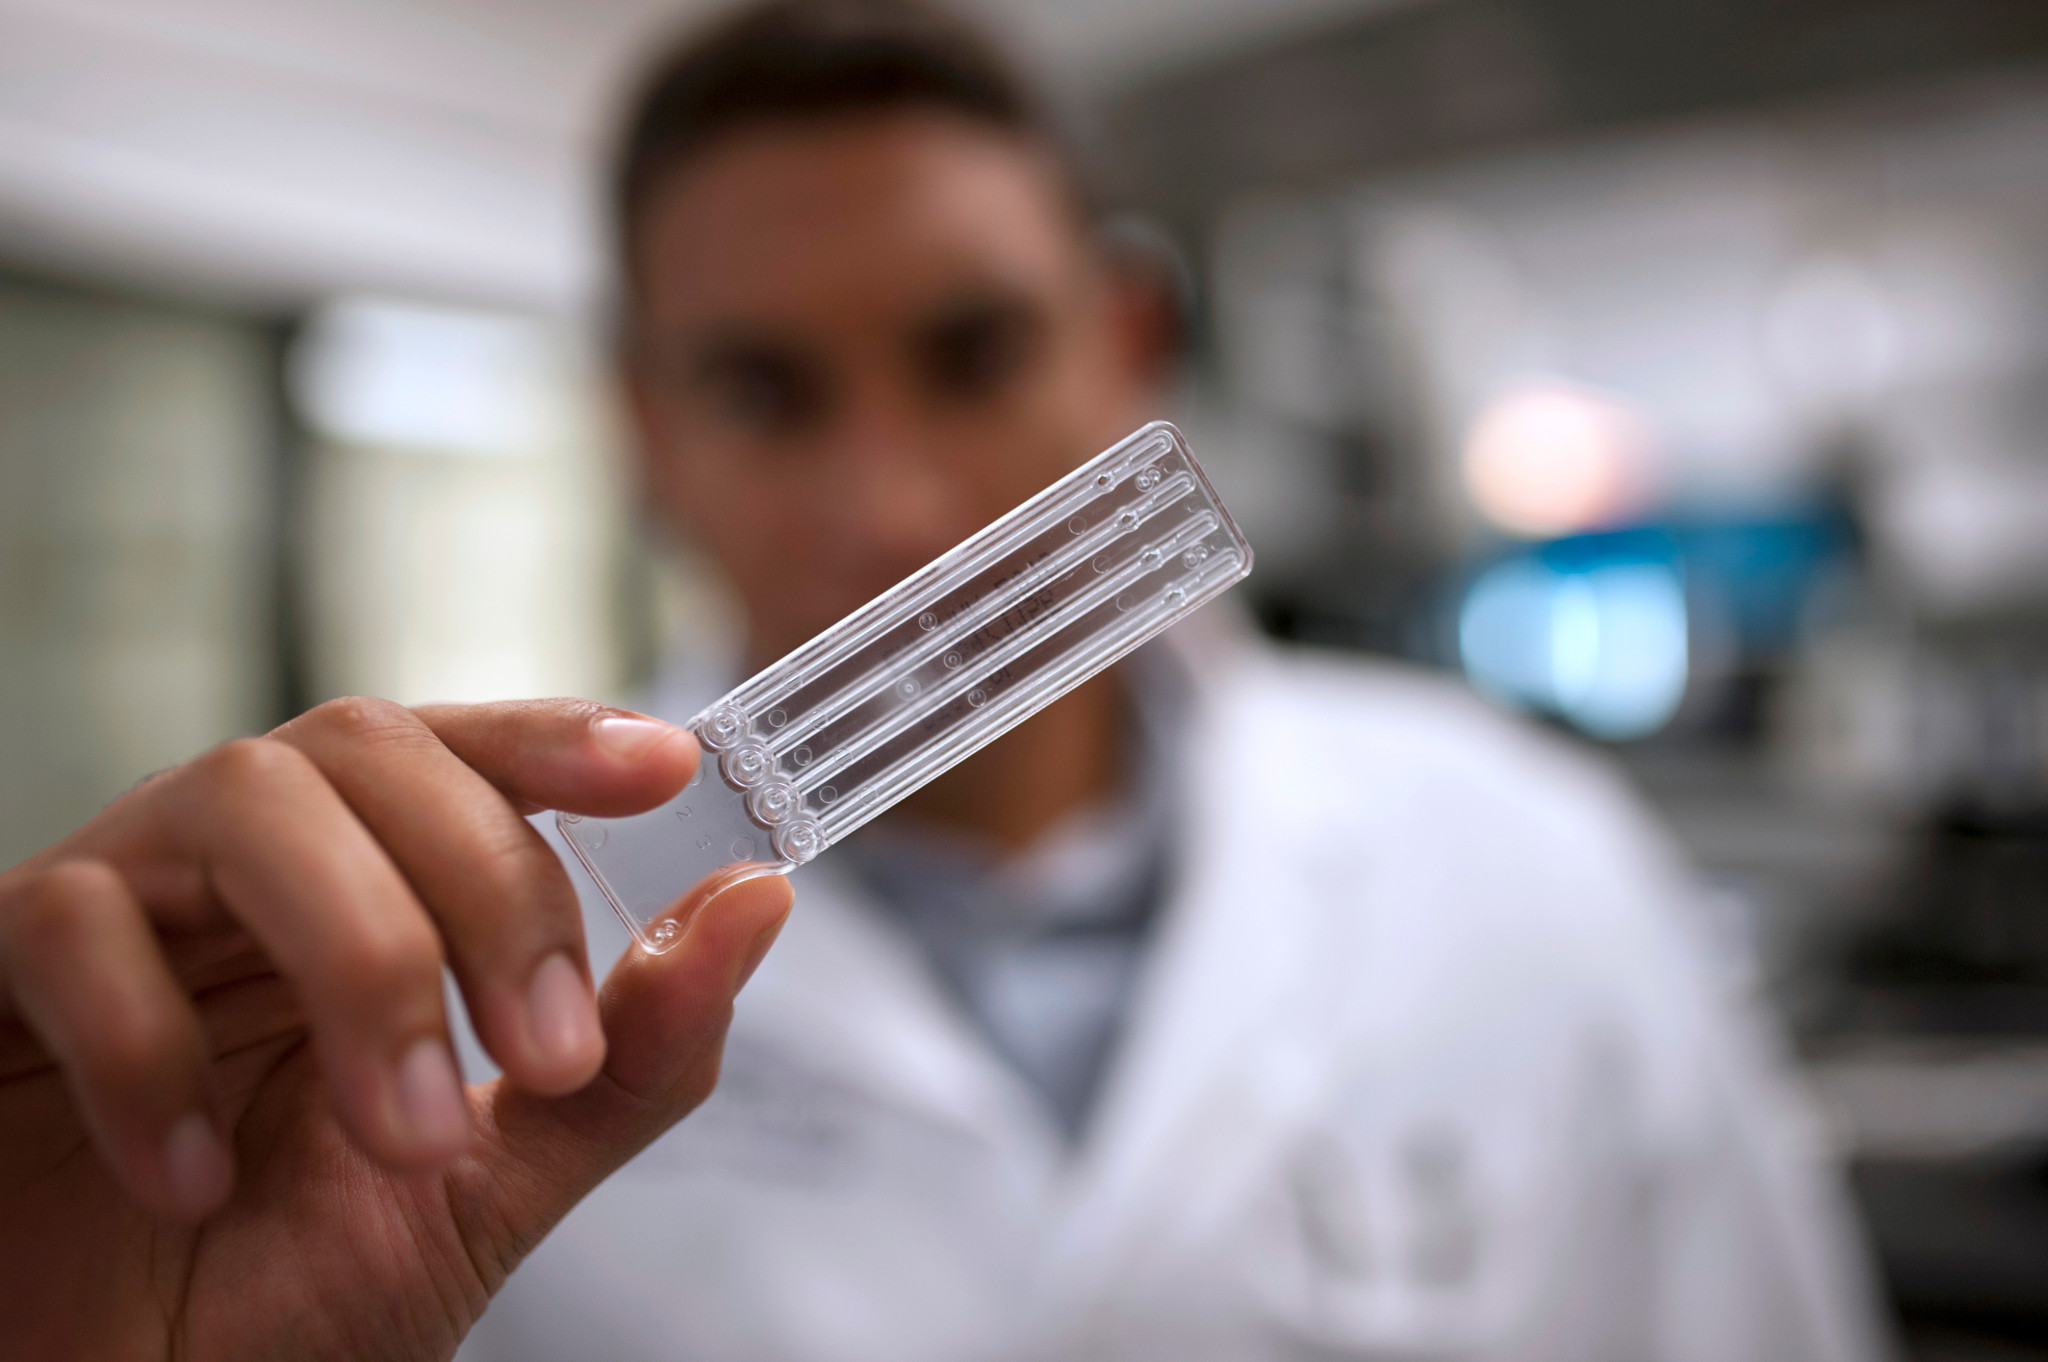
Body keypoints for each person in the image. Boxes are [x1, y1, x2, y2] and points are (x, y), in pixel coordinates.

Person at [0, 4, 1884, 1362]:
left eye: (973, 349)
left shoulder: (1534, 867)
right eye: (763, 387)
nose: (891, 502)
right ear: (644, 433)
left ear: (1128, 346)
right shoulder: (413, 1026)